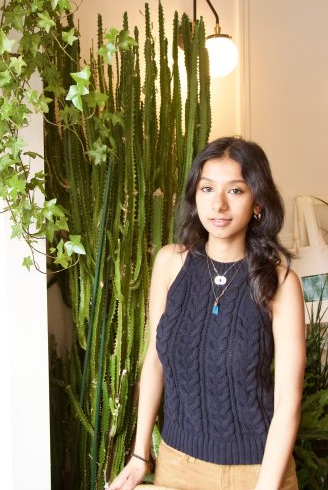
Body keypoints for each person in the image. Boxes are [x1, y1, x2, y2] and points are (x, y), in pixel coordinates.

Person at [109, 137, 305, 490]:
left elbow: (288, 400)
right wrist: (140, 455)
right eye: (207, 188)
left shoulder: (279, 282)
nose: (219, 204)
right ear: (195, 196)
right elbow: (155, 360)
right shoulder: (170, 263)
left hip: (259, 470)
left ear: (258, 202)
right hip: (177, 466)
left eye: (235, 191)